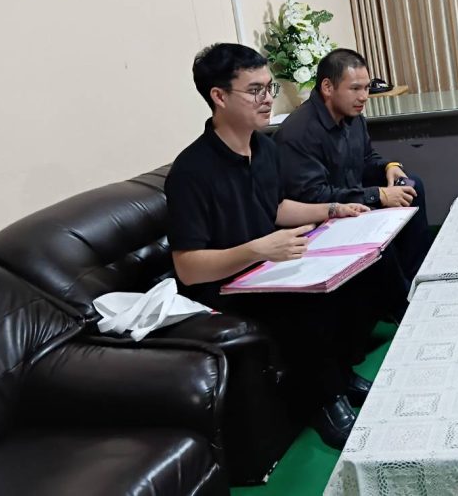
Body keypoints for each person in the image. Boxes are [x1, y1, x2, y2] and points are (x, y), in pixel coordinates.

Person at [166, 43, 403, 450]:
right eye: (254, 90)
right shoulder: (191, 171)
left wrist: (333, 210)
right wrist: (259, 250)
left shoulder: (264, 148)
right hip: (226, 285)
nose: (267, 98)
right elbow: (188, 267)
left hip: (269, 264)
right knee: (302, 303)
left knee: (360, 267)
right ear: (218, 96)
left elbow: (276, 209)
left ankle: (340, 376)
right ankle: (324, 401)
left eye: (269, 87)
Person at [277, 48, 431, 281]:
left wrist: (389, 167)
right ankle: (400, 295)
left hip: (352, 198)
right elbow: (314, 196)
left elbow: (366, 157)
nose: (364, 96)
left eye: (367, 88)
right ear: (328, 87)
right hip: (323, 216)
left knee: (411, 185)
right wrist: (377, 195)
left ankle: (417, 274)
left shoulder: (353, 116)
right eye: (355, 88)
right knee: (377, 225)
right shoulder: (299, 132)